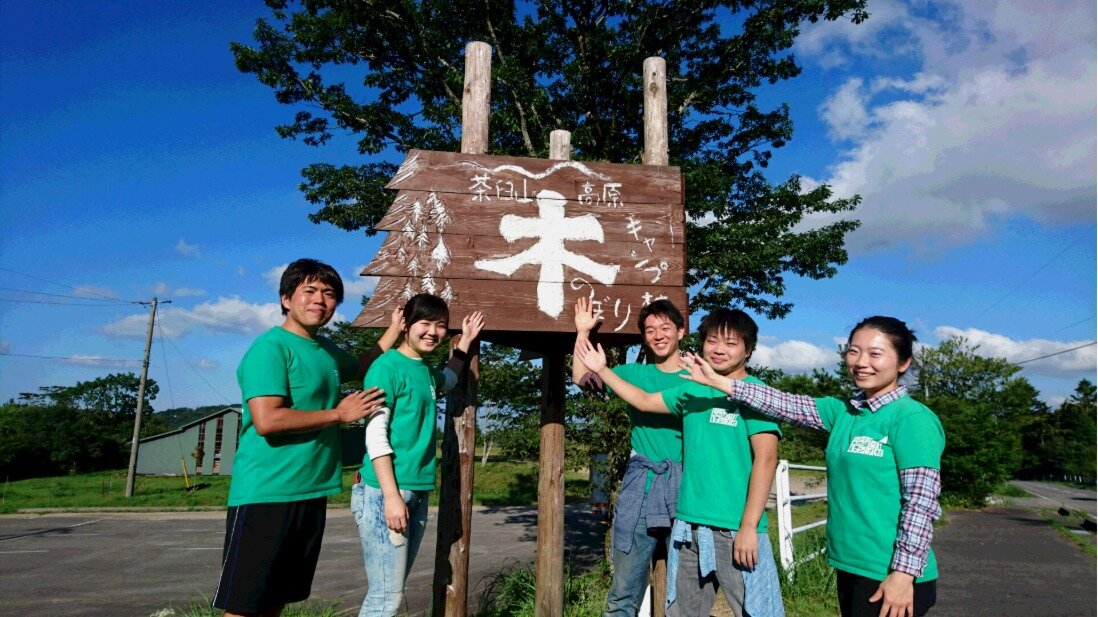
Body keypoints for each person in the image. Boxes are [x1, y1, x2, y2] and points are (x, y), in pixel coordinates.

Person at [679, 316, 944, 617]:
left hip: (890, 572)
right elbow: (783, 403)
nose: (861, 362)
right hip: (850, 563)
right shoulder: (843, 411)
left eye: (875, 353)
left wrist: (903, 574)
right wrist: (720, 382)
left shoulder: (912, 419)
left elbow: (920, 504)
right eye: (854, 351)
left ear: (903, 362)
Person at [214, 258, 402, 617]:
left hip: (311, 490)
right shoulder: (270, 348)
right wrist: (338, 413)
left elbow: (362, 366)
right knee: (243, 604)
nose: (321, 300)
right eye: (310, 291)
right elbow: (267, 419)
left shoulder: (325, 349)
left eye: (330, 294)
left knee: (277, 598)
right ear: (286, 298)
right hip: (267, 491)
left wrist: (394, 330)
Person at [575, 308, 784, 617]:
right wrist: (602, 368)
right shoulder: (694, 389)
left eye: (730, 343)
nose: (719, 349)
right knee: (682, 610)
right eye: (712, 341)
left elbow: (766, 459)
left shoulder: (756, 394)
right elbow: (644, 401)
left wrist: (750, 526)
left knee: (756, 610)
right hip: (688, 523)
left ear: (748, 350)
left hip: (733, 524)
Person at [353, 293, 484, 617]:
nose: (433, 332)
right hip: (387, 494)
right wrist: (392, 496)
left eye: (440, 326)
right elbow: (375, 434)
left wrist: (465, 340)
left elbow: (450, 379)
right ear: (406, 325)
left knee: (390, 593)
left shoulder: (424, 370)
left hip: (416, 491)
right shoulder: (386, 368)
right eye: (424, 323)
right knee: (386, 598)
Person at [572, 297, 687, 617]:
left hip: (689, 485)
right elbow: (582, 377)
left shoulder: (699, 374)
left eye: (666, 327)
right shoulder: (633, 373)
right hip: (643, 484)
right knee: (624, 589)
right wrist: (582, 333)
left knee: (688, 589)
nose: (658, 335)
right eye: (650, 330)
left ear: (680, 330)